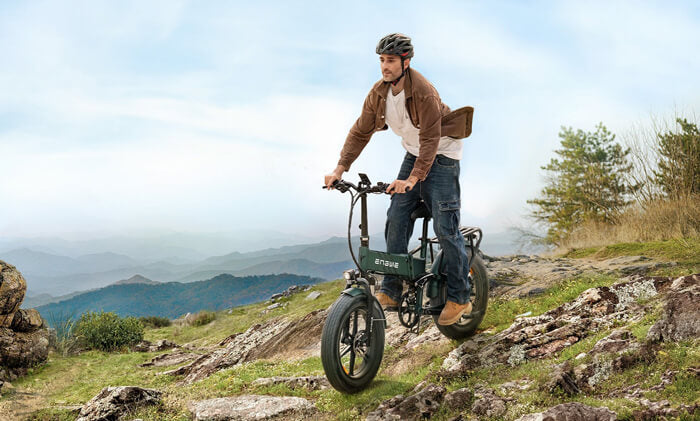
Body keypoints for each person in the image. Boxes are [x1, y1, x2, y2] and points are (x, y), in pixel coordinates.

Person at [324, 33, 474, 326]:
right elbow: (360, 131)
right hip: (414, 153)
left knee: (446, 228)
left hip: (442, 155)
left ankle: (459, 297)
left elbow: (430, 139)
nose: (385, 66)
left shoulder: (423, 92)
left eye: (390, 60)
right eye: (381, 60)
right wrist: (340, 168)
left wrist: (413, 178)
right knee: (396, 215)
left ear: (405, 62)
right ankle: (391, 290)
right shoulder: (379, 93)